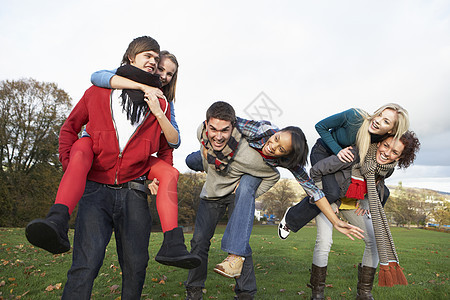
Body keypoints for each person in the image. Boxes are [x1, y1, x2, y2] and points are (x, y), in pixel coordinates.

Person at [27, 36, 197, 299]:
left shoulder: (162, 104)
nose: (157, 68)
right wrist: (71, 167)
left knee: (135, 267)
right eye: (150, 59)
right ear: (131, 57)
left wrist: (158, 176)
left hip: (134, 191)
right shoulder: (100, 89)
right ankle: (57, 219)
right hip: (96, 191)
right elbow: (70, 127)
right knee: (85, 265)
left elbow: (168, 147)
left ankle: (173, 242)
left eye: (162, 67)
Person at [184, 101, 364, 300]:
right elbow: (220, 123)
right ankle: (194, 290)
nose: (272, 146)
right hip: (214, 188)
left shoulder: (284, 161)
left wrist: (336, 221)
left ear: (286, 157)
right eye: (276, 139)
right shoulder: (260, 130)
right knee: (199, 240)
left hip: (237, 193)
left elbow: (314, 191)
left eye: (280, 149)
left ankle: (245, 293)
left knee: (240, 237)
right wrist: (209, 150)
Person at [306, 131, 420, 299]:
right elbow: (315, 171)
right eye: (386, 145)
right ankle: (317, 294)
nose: (387, 153)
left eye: (395, 152)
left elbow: (376, 185)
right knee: (324, 241)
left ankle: (364, 293)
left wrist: (366, 202)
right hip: (327, 199)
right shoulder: (354, 155)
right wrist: (326, 200)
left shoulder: (387, 169)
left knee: (374, 241)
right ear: (379, 143)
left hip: (352, 204)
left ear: (398, 158)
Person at [278, 104, 410, 239]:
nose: (378, 120)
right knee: (331, 192)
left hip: (343, 163)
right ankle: (290, 219)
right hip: (323, 152)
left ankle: (356, 213)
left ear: (391, 131)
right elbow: (320, 126)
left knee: (384, 192)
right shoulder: (354, 116)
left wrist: (367, 199)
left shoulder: (378, 138)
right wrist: (338, 151)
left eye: (386, 121)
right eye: (380, 115)